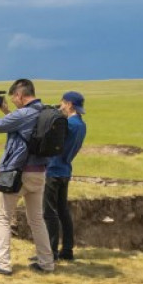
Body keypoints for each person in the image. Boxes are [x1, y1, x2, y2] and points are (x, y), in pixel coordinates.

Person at [0, 79, 54, 275]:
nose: (14, 101)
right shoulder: (44, 112)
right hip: (40, 172)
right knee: (37, 220)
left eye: (14, 98)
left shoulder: (24, 113)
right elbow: (23, 129)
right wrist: (7, 111)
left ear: (20, 95)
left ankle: (3, 264)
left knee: (3, 218)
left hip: (18, 172)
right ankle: (46, 263)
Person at [43, 91, 87, 261]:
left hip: (53, 170)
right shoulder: (81, 125)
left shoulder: (68, 125)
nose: (60, 106)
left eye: (62, 103)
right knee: (63, 211)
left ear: (69, 104)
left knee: (49, 212)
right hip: (65, 170)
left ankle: (50, 252)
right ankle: (67, 249)